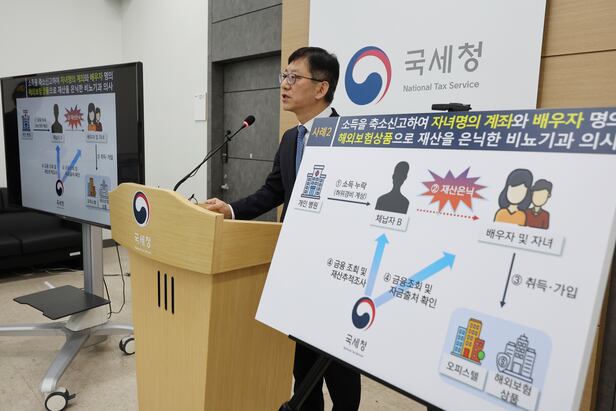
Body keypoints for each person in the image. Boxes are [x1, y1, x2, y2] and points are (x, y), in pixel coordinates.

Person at [202, 47, 361, 411]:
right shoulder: (292, 138)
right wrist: (230, 209)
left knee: (336, 364)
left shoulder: (350, 136)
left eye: (294, 77)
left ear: (321, 88)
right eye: (284, 76)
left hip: (334, 270)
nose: (284, 85)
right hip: (295, 266)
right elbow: (274, 191)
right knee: (302, 361)